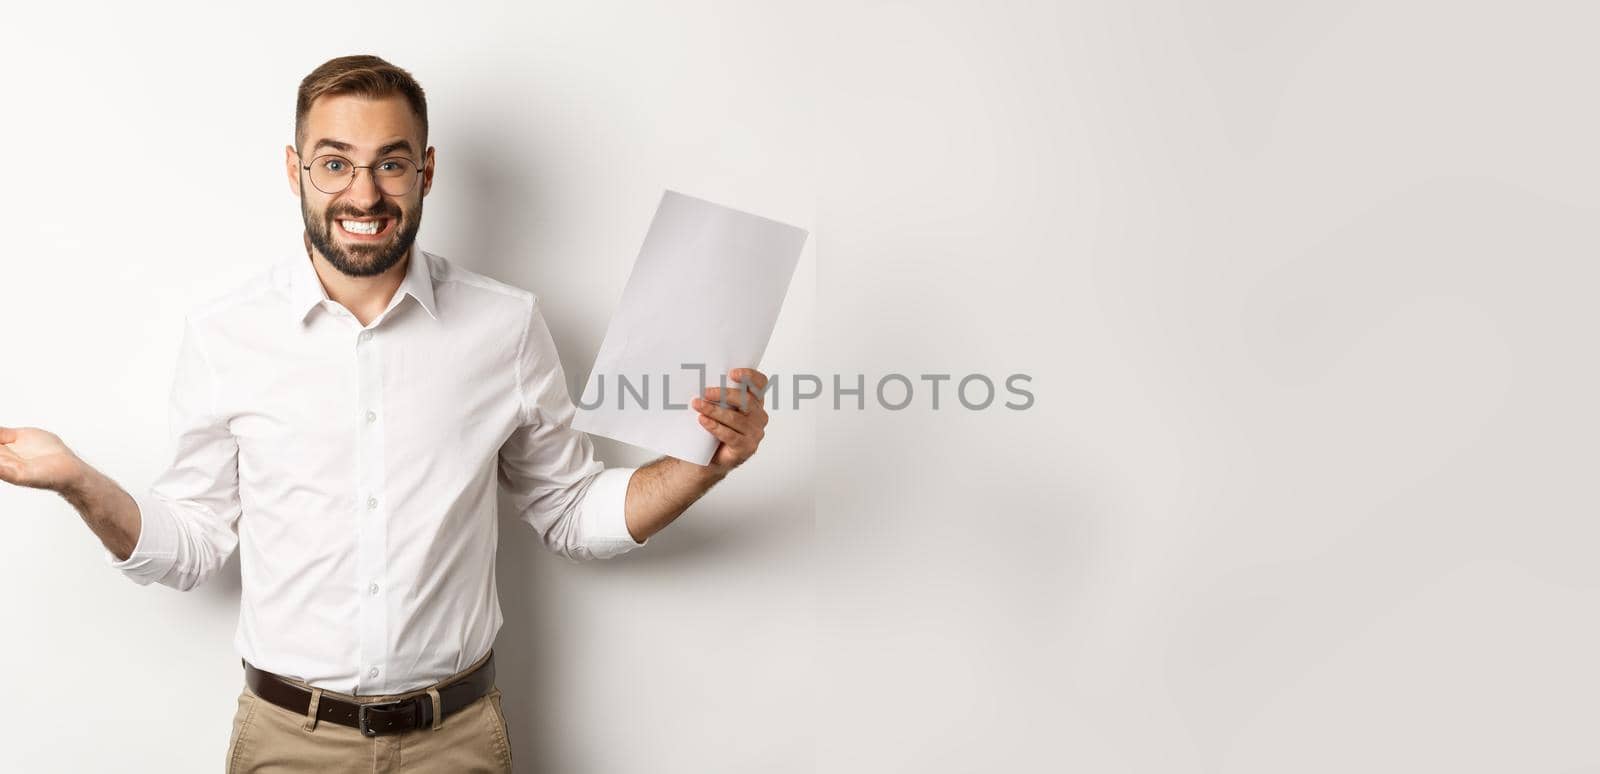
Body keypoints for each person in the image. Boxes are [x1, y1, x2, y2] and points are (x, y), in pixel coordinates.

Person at [0, 54, 771, 773]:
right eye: (335, 163)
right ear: (295, 170)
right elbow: (192, 548)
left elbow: (570, 513)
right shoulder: (225, 336)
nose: (364, 196)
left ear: (425, 172)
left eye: (390, 164)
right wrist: (75, 481)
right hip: (285, 743)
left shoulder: (506, 327)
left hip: (459, 743)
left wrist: (704, 461)